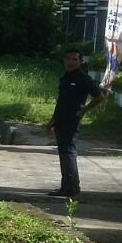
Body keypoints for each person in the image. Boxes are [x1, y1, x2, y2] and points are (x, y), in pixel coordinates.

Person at [45, 49, 106, 198]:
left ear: (80, 62)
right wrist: (52, 121)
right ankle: (71, 186)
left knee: (68, 153)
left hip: (71, 120)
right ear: (64, 60)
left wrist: (84, 109)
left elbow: (99, 96)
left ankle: (70, 188)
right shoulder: (65, 78)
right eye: (68, 59)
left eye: (75, 60)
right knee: (65, 153)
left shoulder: (82, 78)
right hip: (60, 119)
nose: (71, 62)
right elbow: (61, 102)